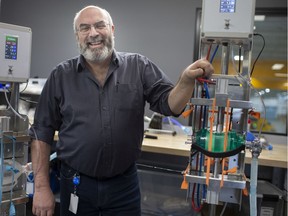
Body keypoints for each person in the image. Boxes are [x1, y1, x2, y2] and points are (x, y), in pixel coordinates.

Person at [30, 5, 214, 216]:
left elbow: (170, 105)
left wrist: (186, 80)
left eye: (100, 25)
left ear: (112, 29)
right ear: (77, 36)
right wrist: (41, 187)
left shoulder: (138, 66)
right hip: (75, 183)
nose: (93, 33)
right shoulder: (60, 76)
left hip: (123, 186)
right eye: (85, 28)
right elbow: (41, 133)